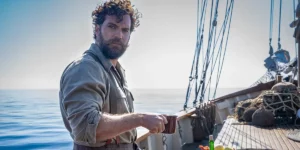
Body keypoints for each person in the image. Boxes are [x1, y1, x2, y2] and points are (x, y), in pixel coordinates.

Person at [59, 0, 168, 149]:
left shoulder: (115, 71)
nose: (119, 35)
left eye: (125, 30)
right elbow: (86, 128)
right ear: (97, 29)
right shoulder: (85, 68)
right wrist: (141, 119)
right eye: (112, 27)